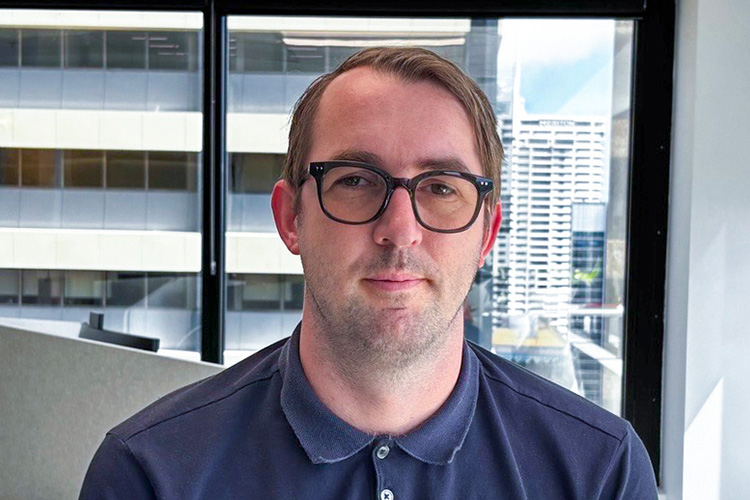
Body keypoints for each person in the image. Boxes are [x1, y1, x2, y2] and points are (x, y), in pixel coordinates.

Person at [80, 47, 658, 499]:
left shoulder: (600, 473)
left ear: (486, 234)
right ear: (291, 219)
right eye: (355, 181)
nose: (400, 230)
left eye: (441, 188)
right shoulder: (150, 475)